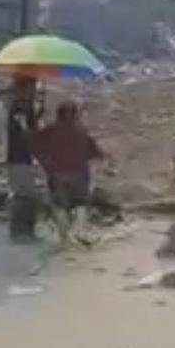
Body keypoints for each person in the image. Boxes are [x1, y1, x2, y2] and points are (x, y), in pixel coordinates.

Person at [32, 101, 104, 247]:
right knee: (81, 204)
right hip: (79, 174)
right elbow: (96, 153)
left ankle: (64, 238)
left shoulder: (49, 131)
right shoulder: (81, 132)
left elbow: (34, 145)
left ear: (58, 115)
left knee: (60, 206)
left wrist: (44, 162)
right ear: (74, 116)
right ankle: (80, 232)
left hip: (56, 173)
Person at [6, 76, 41, 243]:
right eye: (31, 87)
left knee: (28, 196)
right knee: (25, 196)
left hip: (23, 157)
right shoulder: (19, 109)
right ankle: (20, 232)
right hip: (18, 157)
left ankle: (24, 231)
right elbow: (25, 133)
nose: (33, 91)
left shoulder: (27, 108)